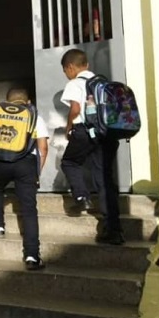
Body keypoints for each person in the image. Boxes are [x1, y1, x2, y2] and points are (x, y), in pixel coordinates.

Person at [59, 48, 123, 244]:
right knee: (104, 178)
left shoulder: (75, 83)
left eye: (65, 71)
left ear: (70, 67)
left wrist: (68, 128)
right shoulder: (103, 83)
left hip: (85, 131)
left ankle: (81, 197)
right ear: (86, 64)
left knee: (69, 162)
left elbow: (76, 109)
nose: (66, 74)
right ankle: (113, 230)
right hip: (107, 133)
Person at [0, 87, 49, 270]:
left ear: (8, 101)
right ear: (27, 101)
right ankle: (32, 256)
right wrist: (37, 172)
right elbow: (43, 148)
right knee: (29, 209)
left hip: (1, 163)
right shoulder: (35, 117)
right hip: (26, 165)